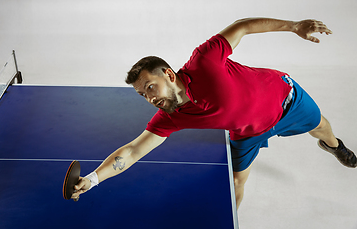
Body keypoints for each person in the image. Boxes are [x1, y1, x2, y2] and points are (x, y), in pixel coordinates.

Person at [72, 17, 356, 209]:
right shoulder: (171, 116)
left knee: (321, 127)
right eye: (142, 94)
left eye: (150, 87)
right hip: (249, 133)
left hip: (288, 100)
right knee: (235, 182)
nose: (149, 98)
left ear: (169, 74)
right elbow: (133, 151)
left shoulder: (204, 61)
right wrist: (94, 179)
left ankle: (334, 146)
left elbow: (242, 27)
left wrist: (294, 26)